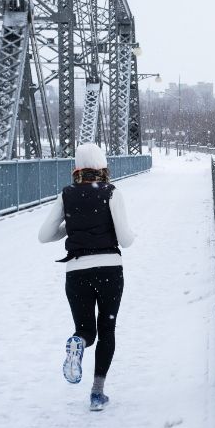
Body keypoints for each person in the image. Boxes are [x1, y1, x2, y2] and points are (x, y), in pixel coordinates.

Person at [38, 143, 137, 411]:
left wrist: (71, 228)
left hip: (76, 271)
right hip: (109, 269)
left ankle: (77, 343)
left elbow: (44, 236)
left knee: (86, 330)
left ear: (77, 168)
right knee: (107, 329)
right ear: (103, 167)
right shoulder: (112, 193)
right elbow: (125, 240)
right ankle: (97, 393)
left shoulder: (66, 195)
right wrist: (130, 232)